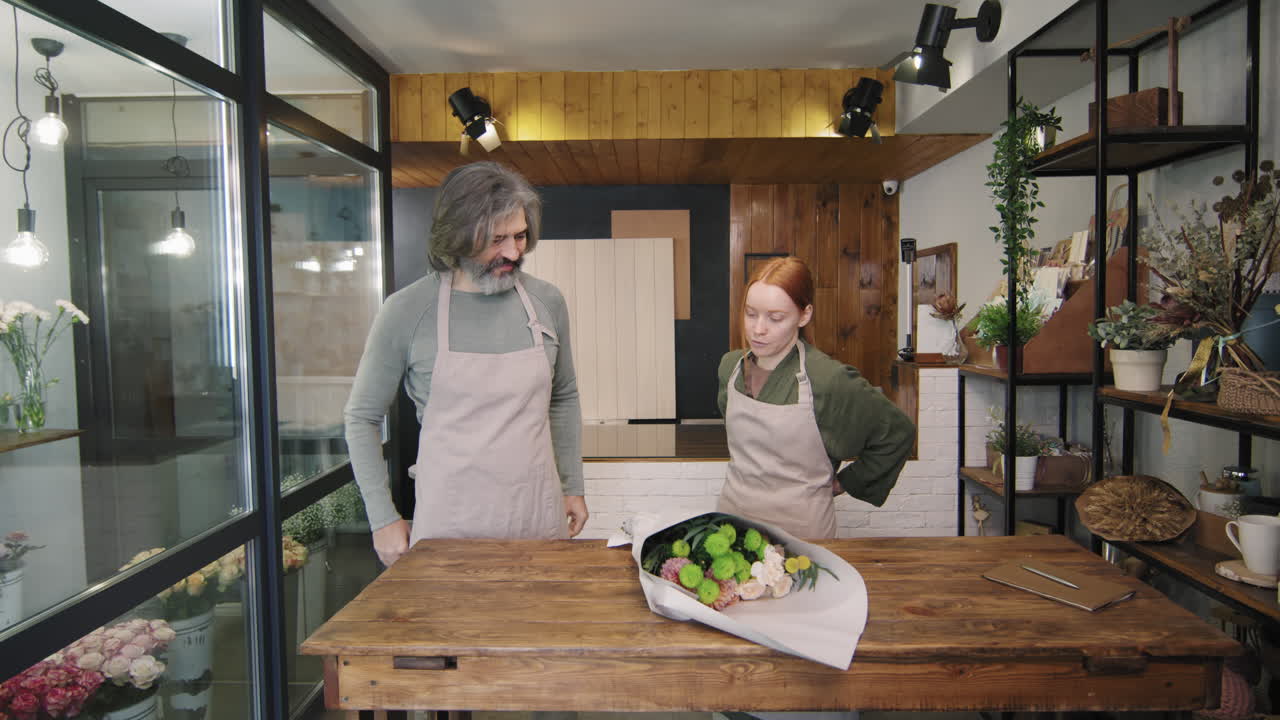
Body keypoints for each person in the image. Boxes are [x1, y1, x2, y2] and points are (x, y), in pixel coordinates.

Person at [344, 161, 588, 568]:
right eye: (496, 240)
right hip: (450, 523)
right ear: (457, 236)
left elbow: (564, 397)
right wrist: (382, 517)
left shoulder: (547, 302)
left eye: (520, 236)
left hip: (537, 514)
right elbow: (361, 418)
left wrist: (572, 485)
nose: (513, 252)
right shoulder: (406, 311)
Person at [717, 256, 914, 539]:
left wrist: (844, 482)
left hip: (802, 537)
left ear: (804, 315)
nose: (758, 329)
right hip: (732, 526)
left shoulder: (828, 379)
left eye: (775, 318)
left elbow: (898, 433)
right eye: (750, 313)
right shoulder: (730, 368)